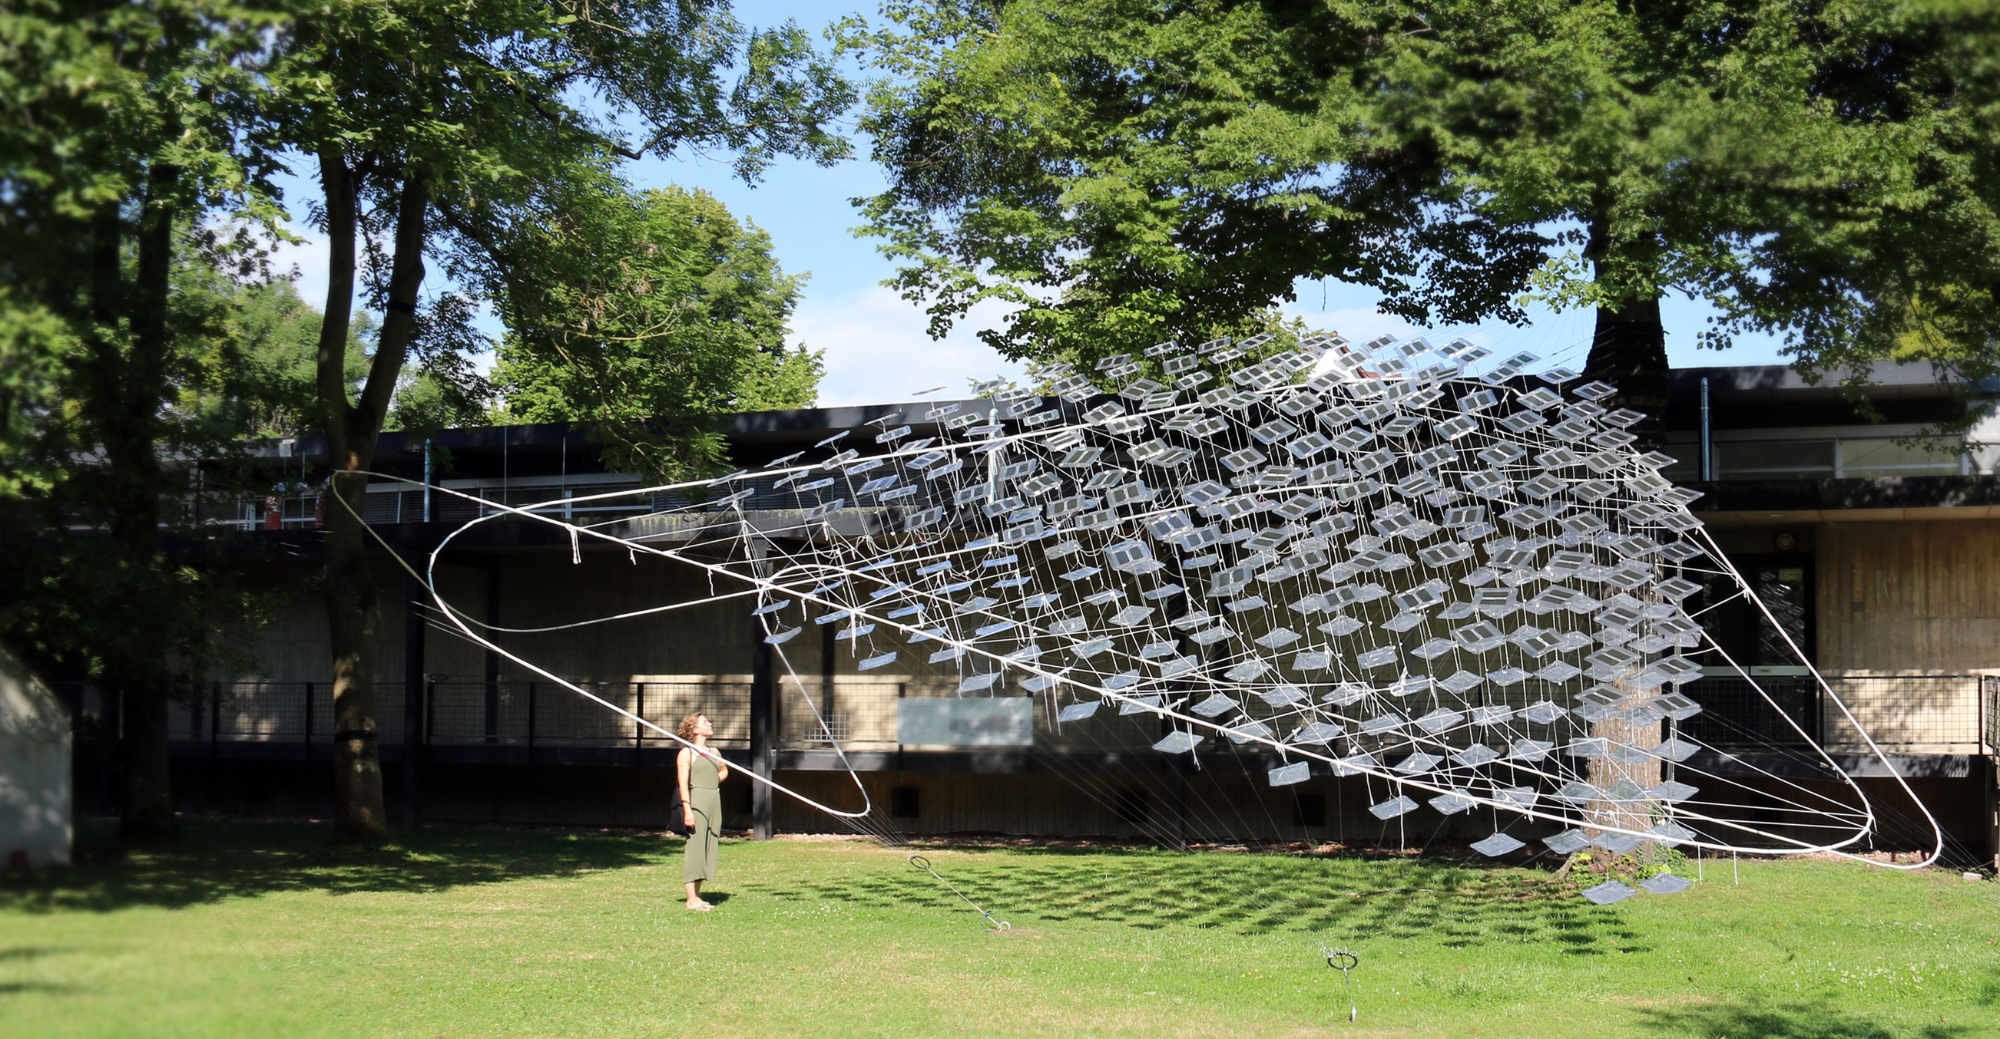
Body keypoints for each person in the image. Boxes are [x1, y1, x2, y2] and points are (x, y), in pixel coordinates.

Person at [676, 711, 729, 911]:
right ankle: (690, 899)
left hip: (713, 799)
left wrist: (712, 782)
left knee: (708, 847)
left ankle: (697, 897)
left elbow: (723, 771)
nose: (710, 724)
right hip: (696, 801)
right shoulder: (686, 753)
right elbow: (682, 783)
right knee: (695, 848)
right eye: (705, 722)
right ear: (694, 729)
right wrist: (688, 810)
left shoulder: (714, 751)